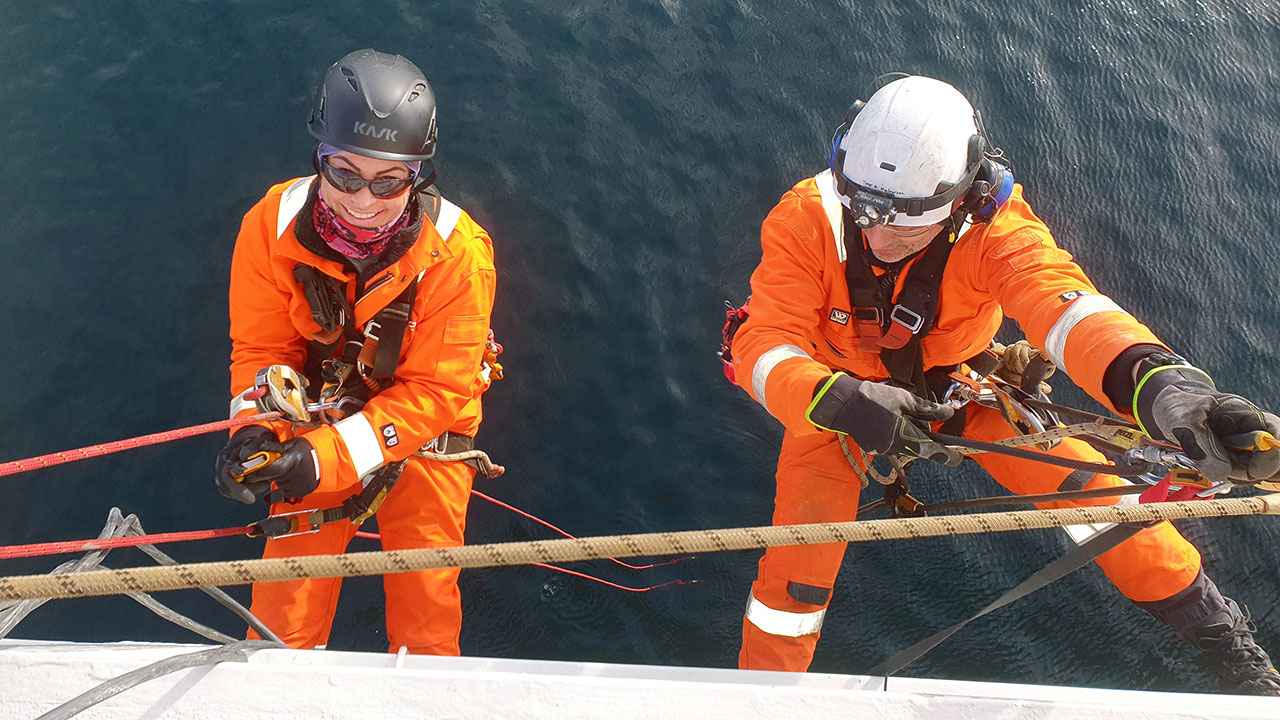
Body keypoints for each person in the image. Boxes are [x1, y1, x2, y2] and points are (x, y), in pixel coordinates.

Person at [729, 74, 1280, 694]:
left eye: (906, 226)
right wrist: (837, 399)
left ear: (959, 201)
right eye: (866, 212)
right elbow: (762, 345)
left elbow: (1068, 310)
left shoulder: (999, 232)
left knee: (1108, 507)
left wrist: (1160, 385)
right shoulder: (807, 218)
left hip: (961, 388)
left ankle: (1229, 651)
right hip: (838, 403)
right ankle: (762, 702)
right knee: (794, 582)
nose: (880, 239)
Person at [212, 48, 497, 655]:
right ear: (319, 159)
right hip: (316, 416)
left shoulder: (461, 256)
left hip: (426, 438)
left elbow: (438, 391)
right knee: (281, 616)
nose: (363, 202)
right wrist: (255, 430)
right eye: (344, 174)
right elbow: (264, 348)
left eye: (389, 182)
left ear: (419, 177)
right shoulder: (270, 225)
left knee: (426, 613)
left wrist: (327, 457)